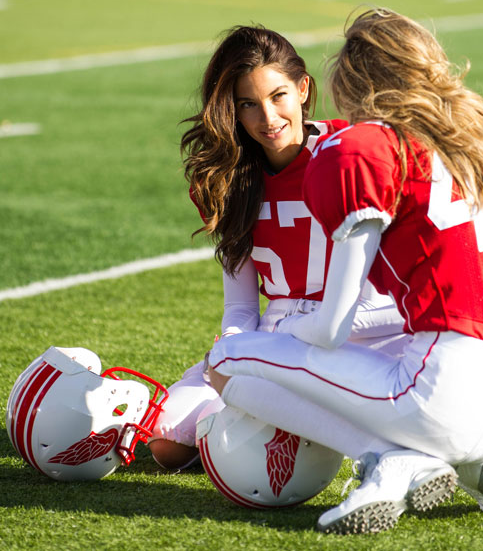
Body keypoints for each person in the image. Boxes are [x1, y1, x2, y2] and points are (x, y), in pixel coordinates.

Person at [206, 8, 483, 534]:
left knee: (226, 360)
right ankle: (468, 463)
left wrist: (282, 332)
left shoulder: (362, 147)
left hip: (444, 387)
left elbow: (330, 328)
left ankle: (387, 460)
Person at [149, 25, 404, 471]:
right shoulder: (227, 179)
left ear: (304, 89)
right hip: (279, 334)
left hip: (370, 331)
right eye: (247, 103)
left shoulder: (350, 151)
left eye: (278, 95)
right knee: (166, 443)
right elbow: (241, 306)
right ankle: (246, 424)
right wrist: (233, 349)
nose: (267, 117)